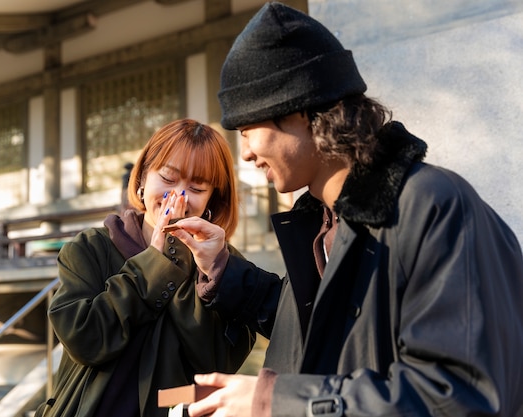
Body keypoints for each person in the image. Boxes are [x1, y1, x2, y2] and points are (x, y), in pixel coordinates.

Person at [164, 3, 523, 416]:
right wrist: (221, 267)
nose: (244, 154)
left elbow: (460, 395)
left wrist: (272, 401)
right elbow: (316, 329)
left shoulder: (435, 207)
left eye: (247, 131)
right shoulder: (321, 221)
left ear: (301, 110)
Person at [34, 119, 255, 417]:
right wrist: (154, 263)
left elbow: (217, 363)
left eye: (197, 187)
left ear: (212, 198)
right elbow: (84, 339)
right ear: (141, 179)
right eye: (167, 178)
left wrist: (203, 269)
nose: (178, 197)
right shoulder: (91, 248)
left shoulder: (226, 266)